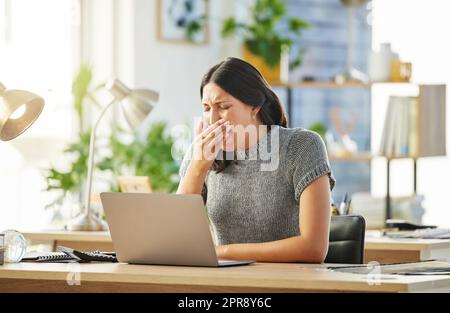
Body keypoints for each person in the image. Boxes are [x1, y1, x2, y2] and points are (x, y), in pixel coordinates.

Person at [177, 57, 335, 263]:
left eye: (223, 106)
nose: (212, 119)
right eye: (206, 108)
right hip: (221, 283)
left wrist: (222, 252)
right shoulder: (201, 152)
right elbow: (176, 237)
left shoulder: (302, 147)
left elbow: (313, 248)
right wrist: (197, 168)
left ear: (254, 106)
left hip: (287, 283)